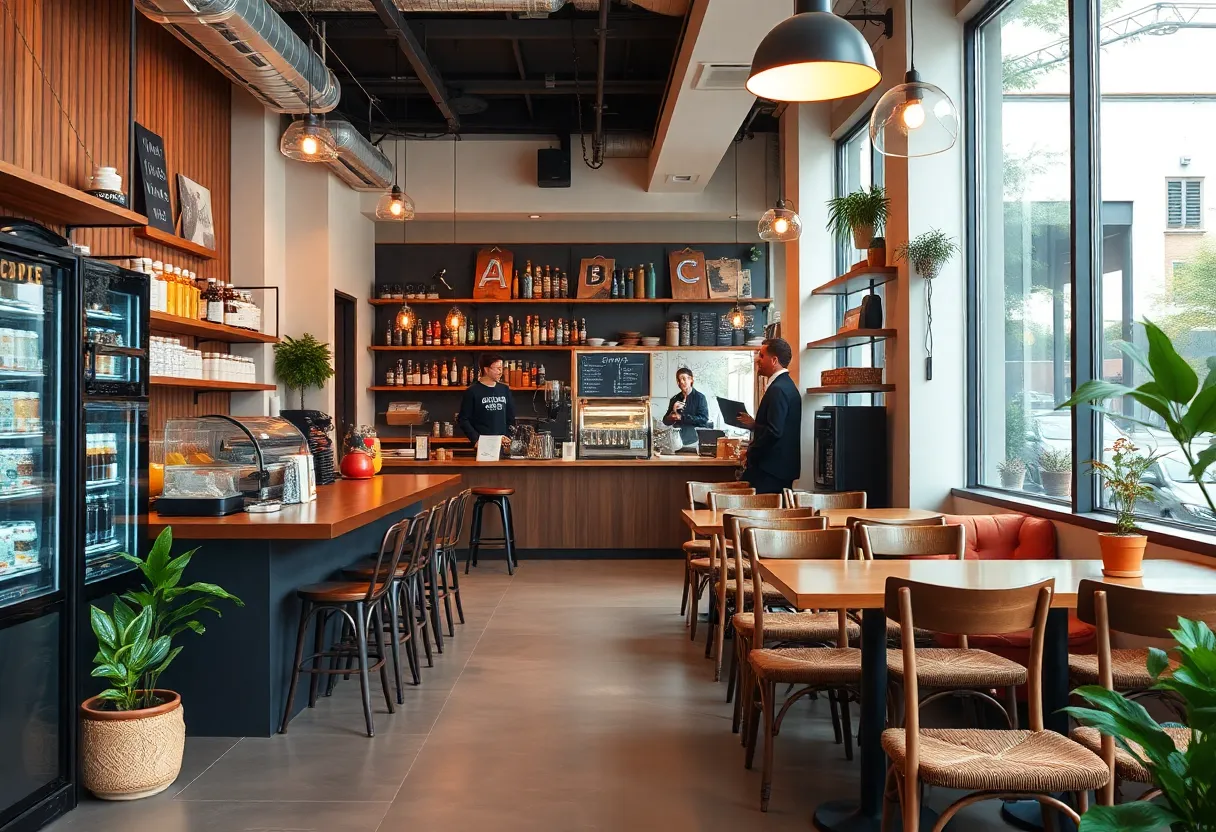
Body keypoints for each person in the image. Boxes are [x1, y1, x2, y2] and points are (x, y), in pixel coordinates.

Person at [736, 337, 801, 495]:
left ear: (774, 360)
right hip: (779, 470)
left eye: (761, 355)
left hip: (771, 472)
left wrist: (750, 453)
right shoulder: (786, 386)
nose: (757, 359)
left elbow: (774, 432)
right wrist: (754, 425)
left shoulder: (778, 389)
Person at [457, 353, 517, 444]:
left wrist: (508, 435)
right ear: (486, 369)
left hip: (502, 442)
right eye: (498, 368)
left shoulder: (504, 389)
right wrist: (476, 439)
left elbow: (511, 418)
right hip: (483, 443)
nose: (501, 372)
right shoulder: (472, 391)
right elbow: (463, 419)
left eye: (502, 368)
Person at [662, 367, 711, 448]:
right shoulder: (674, 399)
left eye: (684, 379)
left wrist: (682, 417)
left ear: (691, 379)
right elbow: (665, 421)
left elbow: (703, 419)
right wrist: (671, 415)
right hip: (676, 441)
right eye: (679, 380)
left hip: (694, 441)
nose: (681, 382)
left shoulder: (700, 397)